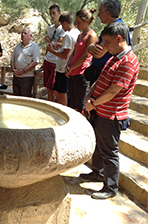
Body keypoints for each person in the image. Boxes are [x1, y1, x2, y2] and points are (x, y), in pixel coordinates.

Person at [81, 22, 139, 199]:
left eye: (107, 42)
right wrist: (90, 95)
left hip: (111, 114)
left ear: (119, 39)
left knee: (109, 151)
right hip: (100, 110)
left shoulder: (128, 61)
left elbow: (114, 90)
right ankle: (97, 173)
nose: (103, 46)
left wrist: (94, 103)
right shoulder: (115, 57)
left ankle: (110, 187)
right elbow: (100, 80)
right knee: (99, 145)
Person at [85, 0, 133, 86]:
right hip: (101, 74)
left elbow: (97, 54)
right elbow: (91, 47)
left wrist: (92, 49)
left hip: (108, 76)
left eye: (100, 11)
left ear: (107, 13)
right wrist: (91, 48)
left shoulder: (116, 30)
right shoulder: (109, 29)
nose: (98, 15)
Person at [65, 8, 97, 113]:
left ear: (86, 22)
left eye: (78, 22)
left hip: (81, 73)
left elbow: (85, 56)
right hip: (72, 72)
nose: (76, 24)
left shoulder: (91, 35)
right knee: (72, 102)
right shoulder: (80, 35)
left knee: (81, 104)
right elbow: (74, 52)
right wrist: (67, 65)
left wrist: (71, 68)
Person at [46, 12, 80, 106]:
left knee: (62, 92)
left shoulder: (68, 35)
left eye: (61, 24)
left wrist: (51, 50)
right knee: (56, 90)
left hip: (63, 66)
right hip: (69, 66)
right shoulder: (77, 33)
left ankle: (63, 110)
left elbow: (65, 55)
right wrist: (57, 45)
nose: (62, 27)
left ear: (64, 23)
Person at [43, 5, 65, 101]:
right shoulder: (50, 28)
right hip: (48, 59)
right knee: (48, 87)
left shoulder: (63, 28)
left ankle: (54, 106)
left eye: (54, 13)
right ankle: (49, 105)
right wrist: (45, 55)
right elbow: (50, 45)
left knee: (53, 88)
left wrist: (50, 41)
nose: (52, 16)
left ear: (59, 13)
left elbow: (59, 44)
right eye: (50, 14)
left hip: (56, 61)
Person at [11, 28, 41, 97]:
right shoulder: (18, 46)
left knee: (24, 98)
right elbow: (12, 59)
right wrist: (13, 69)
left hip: (27, 77)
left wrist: (23, 71)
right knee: (15, 98)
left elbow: (35, 62)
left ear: (30, 36)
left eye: (25, 33)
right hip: (16, 77)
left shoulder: (34, 46)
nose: (23, 35)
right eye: (22, 33)